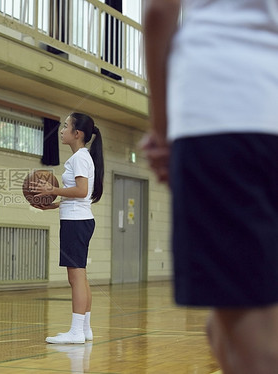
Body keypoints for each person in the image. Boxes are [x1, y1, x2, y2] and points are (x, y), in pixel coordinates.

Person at [142, 0, 278, 372]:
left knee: (255, 344)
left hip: (224, 113)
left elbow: (159, 11)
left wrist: (161, 130)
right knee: (225, 327)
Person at [31, 112, 104, 344]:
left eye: (65, 126)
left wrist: (52, 191)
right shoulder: (81, 157)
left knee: (76, 279)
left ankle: (76, 332)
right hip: (78, 219)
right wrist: (55, 205)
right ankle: (85, 329)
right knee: (81, 277)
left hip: (76, 223)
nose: (62, 130)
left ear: (77, 134)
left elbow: (82, 191)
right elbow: (79, 196)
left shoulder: (79, 158)